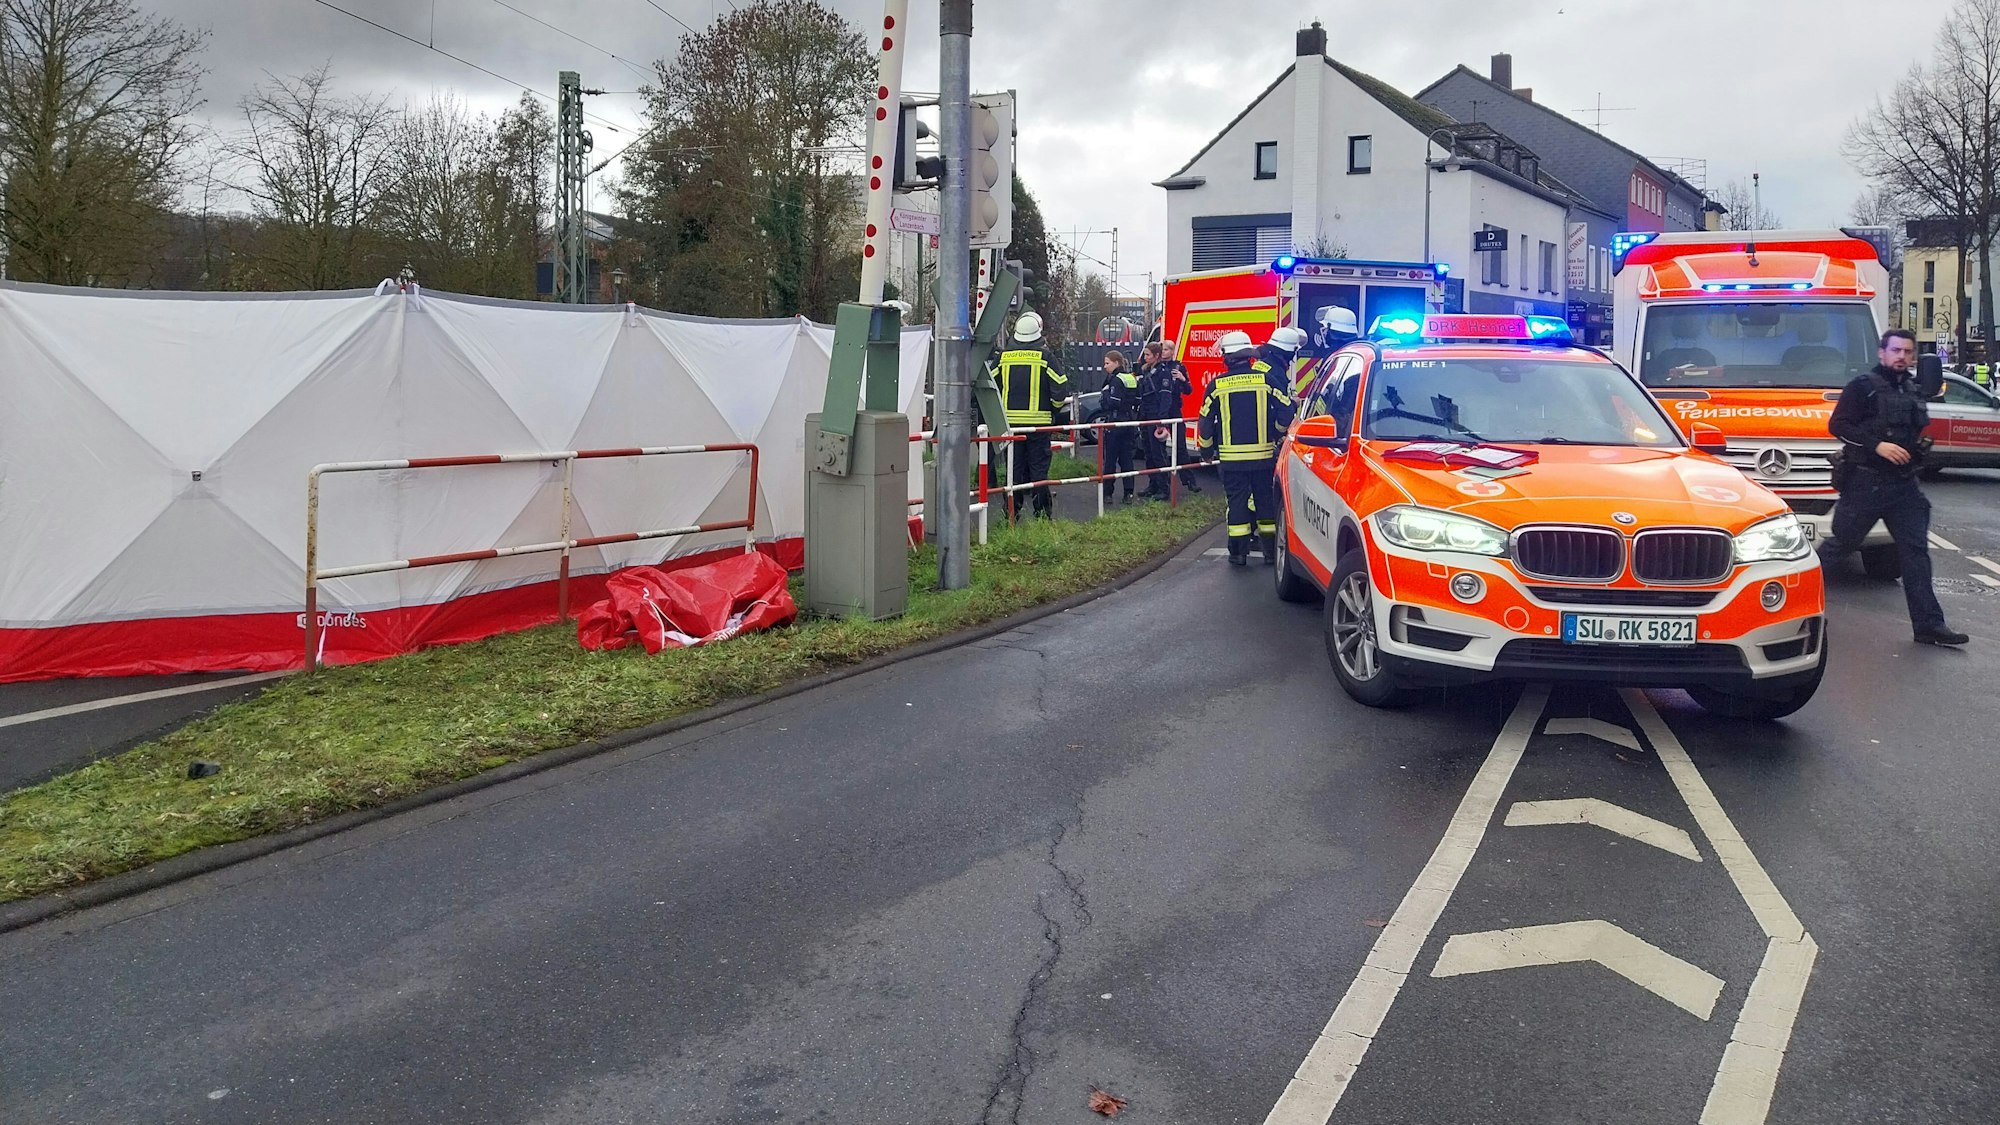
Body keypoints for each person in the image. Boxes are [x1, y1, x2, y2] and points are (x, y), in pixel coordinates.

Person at [1818, 328, 1969, 646]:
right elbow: (1838, 425)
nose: (1901, 356)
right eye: (1896, 350)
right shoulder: (1862, 387)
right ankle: (1786, 602)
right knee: (1839, 548)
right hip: (1865, 484)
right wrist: (1878, 446)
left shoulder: (1912, 388)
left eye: (1907, 352)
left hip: (1904, 487)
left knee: (1916, 555)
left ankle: (1929, 625)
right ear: (1882, 353)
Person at [1199, 330, 1295, 566]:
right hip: (1263, 457)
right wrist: (1276, 432)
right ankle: (1271, 553)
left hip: (1232, 461)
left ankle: (1238, 554)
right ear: (1249, 356)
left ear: (1226, 357)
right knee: (1264, 502)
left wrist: (1206, 451)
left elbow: (1204, 423)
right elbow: (1287, 410)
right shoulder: (1266, 380)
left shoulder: (1216, 386)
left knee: (1237, 504)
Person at [994, 311, 1069, 520]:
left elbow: (989, 385)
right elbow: (1060, 387)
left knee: (1014, 471)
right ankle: (1042, 515)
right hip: (1039, 425)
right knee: (1038, 472)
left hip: (1012, 425)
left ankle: (1010, 513)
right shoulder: (1045, 356)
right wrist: (1054, 409)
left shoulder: (1004, 357)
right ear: (1039, 332)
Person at [1138, 341, 1202, 499]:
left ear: (1172, 351)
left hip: (1172, 411)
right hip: (1157, 412)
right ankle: (1155, 484)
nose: (1164, 351)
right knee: (1152, 450)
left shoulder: (1178, 367)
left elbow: (1188, 390)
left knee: (1180, 447)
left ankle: (1189, 481)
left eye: (1167, 349)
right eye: (1163, 349)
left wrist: (1182, 379)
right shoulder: (1150, 369)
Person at [1097, 350, 1142, 503]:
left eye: (1107, 363)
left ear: (1116, 363)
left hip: (1115, 423)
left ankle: (1108, 494)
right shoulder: (1131, 378)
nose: (1105, 366)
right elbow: (1137, 399)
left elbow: (1113, 402)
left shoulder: (1115, 380)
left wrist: (1105, 397)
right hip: (1129, 423)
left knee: (1110, 460)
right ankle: (1128, 494)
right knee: (1127, 460)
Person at [1254, 326, 1310, 397]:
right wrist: (1294, 403)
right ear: (1289, 354)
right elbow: (1282, 406)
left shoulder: (1259, 364)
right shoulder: (1278, 374)